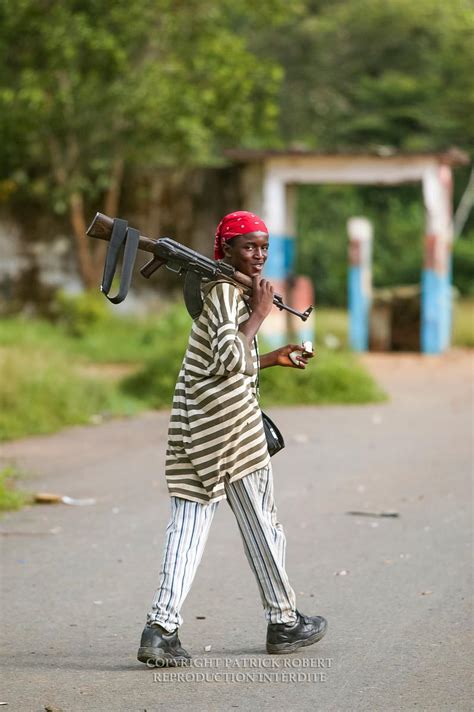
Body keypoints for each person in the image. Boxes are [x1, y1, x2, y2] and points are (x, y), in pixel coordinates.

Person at [137, 211, 327, 666]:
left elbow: (222, 361)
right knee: (250, 523)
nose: (258, 255)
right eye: (247, 246)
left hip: (197, 424)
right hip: (229, 429)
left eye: (263, 247)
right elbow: (227, 358)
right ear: (224, 249)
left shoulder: (223, 287)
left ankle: (166, 628)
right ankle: (276, 622)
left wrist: (271, 360)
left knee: (202, 524)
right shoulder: (226, 291)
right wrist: (260, 314)